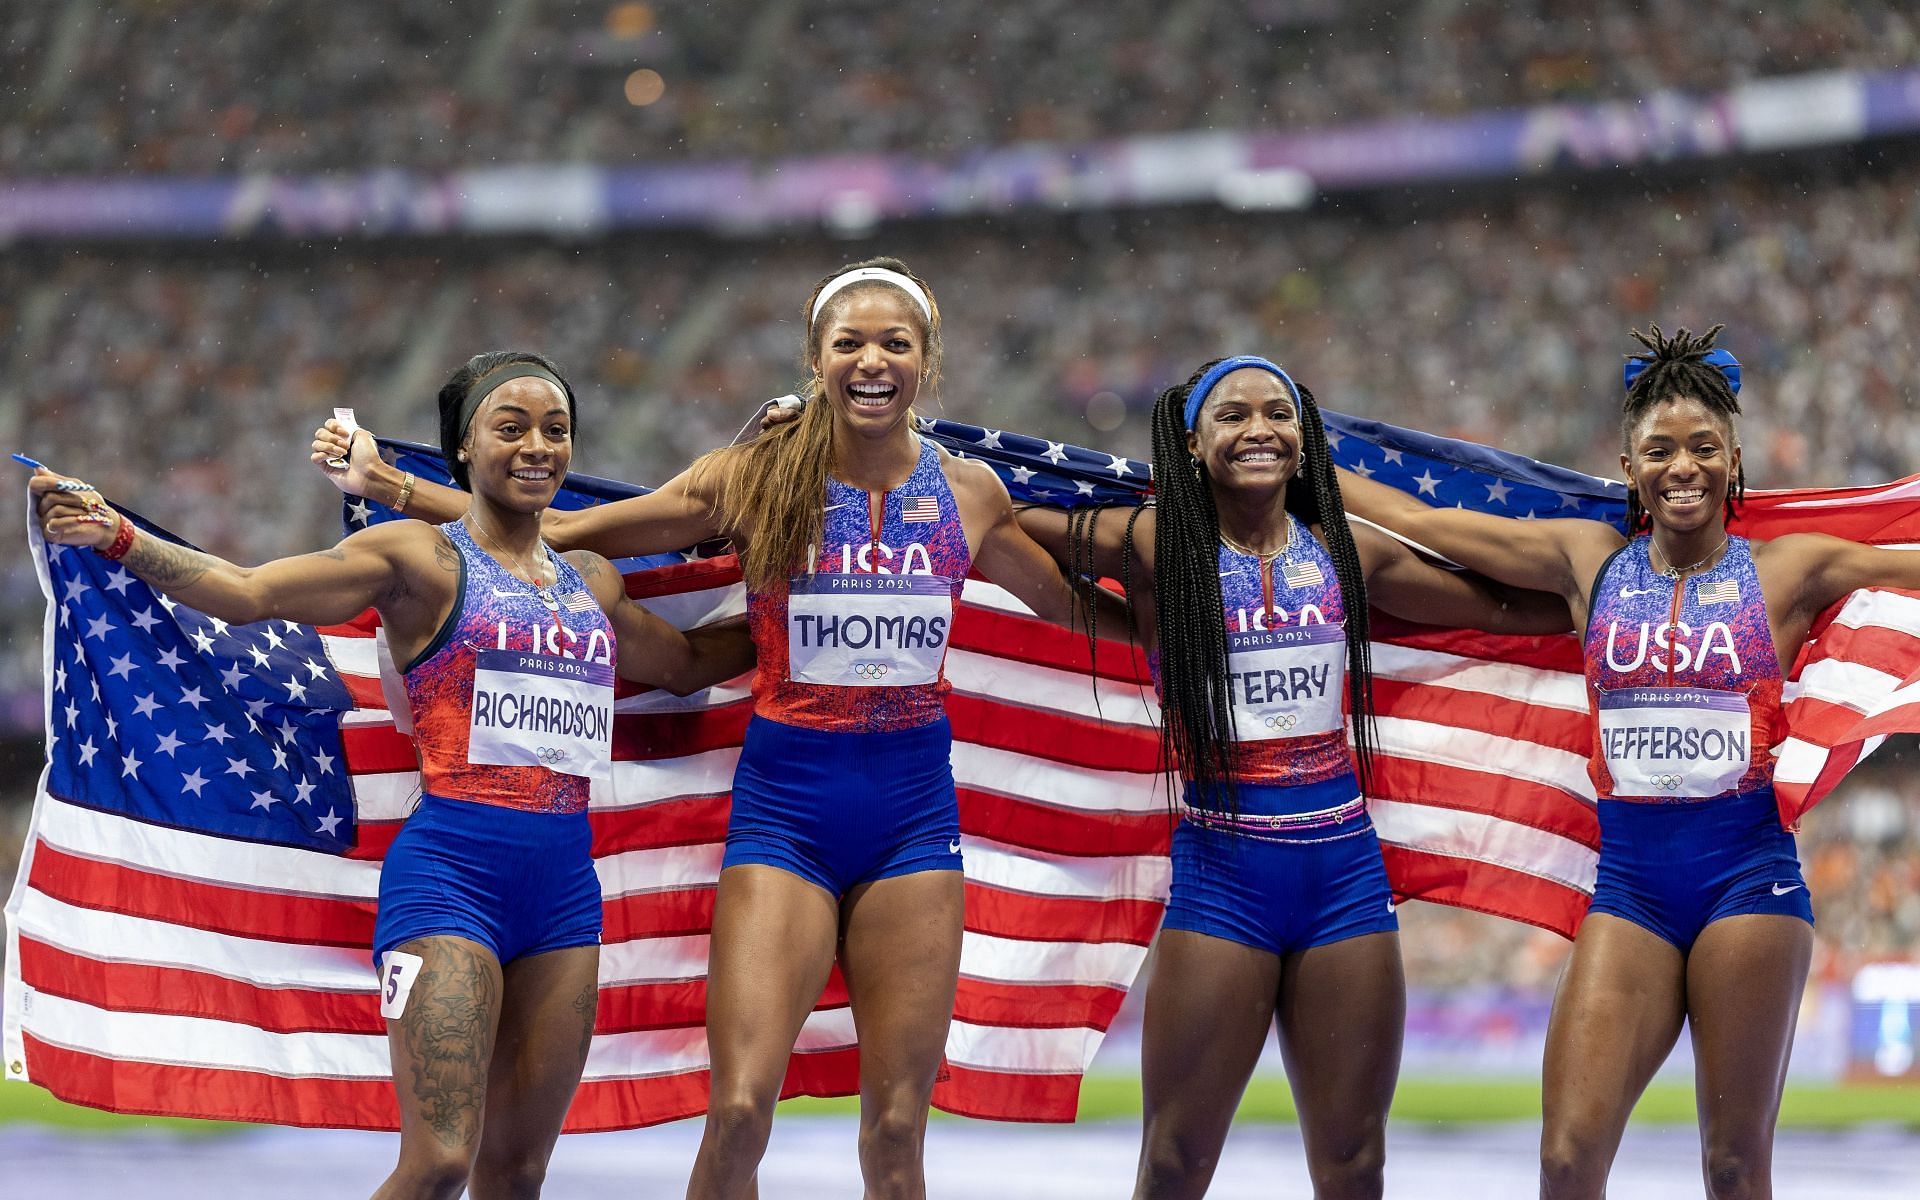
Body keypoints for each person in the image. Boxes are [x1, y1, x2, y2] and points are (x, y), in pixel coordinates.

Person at [309, 259, 1100, 1200]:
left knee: (896, 1132)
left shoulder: (969, 494)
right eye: (849, 342)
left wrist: (1195, 623)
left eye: (896, 343)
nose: (872, 360)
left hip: (914, 827)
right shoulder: (753, 476)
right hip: (786, 821)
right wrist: (394, 486)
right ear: (816, 358)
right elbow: (551, 534)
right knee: (737, 1113)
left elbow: (1075, 608)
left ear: (928, 362)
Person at [35, 350, 754, 1200]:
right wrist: (119, 537)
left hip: (565, 898)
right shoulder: (419, 559)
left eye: (556, 430)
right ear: (462, 451)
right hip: (452, 881)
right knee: (440, 1162)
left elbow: (678, 664)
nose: (538, 447)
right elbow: (250, 591)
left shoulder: (590, 581)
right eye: (511, 427)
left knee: (518, 1173)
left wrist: (789, 609)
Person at [1334, 324, 1920, 1199]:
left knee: (1732, 1164)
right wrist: (1305, 458)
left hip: (1747, 883)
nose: (1683, 466)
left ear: (1733, 460)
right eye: (1660, 450)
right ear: (1629, 465)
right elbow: (1422, 523)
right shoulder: (1587, 562)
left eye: (1703, 447)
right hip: (1632, 891)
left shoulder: (1789, 567)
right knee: (1568, 1159)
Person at [1009, 356, 1571, 1200]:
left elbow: (1507, 609)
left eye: (1278, 413)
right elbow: (1012, 521)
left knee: (1354, 1164)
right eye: (1232, 416)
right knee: (1173, 1162)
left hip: (1344, 876)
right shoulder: (1160, 544)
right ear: (1192, 447)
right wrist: (909, 466)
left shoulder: (1347, 551)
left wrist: (1609, 582)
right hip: (1222, 879)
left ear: (1305, 441)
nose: (1258, 429)